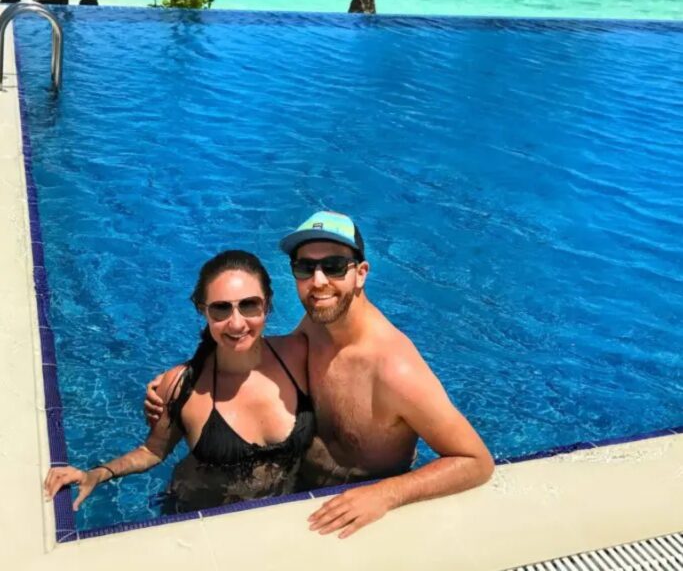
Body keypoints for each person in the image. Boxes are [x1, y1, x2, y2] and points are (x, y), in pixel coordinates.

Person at [146, 212, 494, 537]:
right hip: (292, 497)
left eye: (334, 266)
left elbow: (476, 461)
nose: (318, 282)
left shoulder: (393, 369)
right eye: (305, 267)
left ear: (361, 273)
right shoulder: (317, 325)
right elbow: (251, 347)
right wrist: (182, 383)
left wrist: (385, 495)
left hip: (353, 518)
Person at [45, 250, 314, 513]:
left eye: (249, 305)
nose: (236, 323)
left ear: (267, 304)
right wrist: (96, 474)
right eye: (221, 309)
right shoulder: (182, 386)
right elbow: (152, 451)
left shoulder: (298, 355)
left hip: (282, 514)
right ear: (203, 310)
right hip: (201, 513)